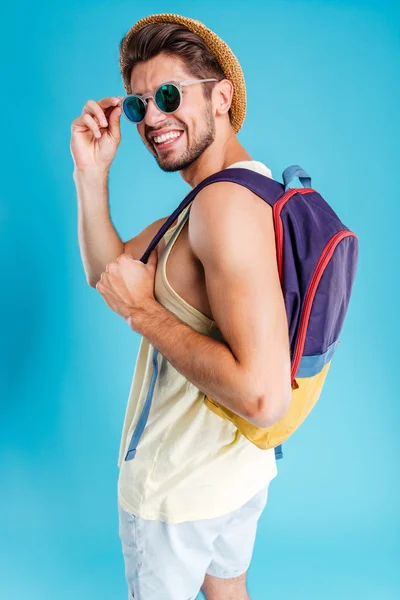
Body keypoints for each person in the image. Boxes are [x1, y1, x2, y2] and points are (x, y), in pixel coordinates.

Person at [70, 13, 292, 600]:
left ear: (222, 97)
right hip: (235, 470)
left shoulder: (222, 209)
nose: (153, 119)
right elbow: (107, 270)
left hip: (177, 489)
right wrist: (90, 174)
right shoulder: (237, 191)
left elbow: (264, 397)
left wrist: (144, 314)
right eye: (140, 105)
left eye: (168, 95)